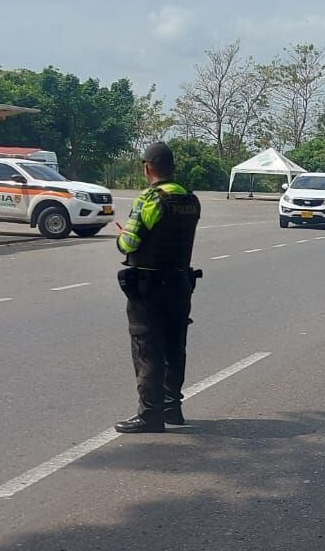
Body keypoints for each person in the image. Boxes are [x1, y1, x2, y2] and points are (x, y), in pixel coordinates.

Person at [113, 141, 203, 434]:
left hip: (149, 287)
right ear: (172, 167)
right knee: (175, 347)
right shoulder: (190, 199)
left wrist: (122, 236)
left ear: (147, 167)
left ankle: (150, 415)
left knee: (147, 348)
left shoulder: (150, 199)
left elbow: (130, 243)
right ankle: (171, 408)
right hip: (180, 283)